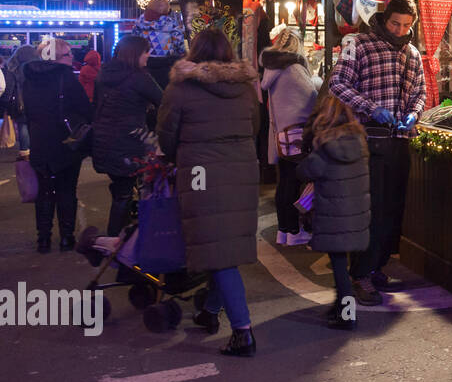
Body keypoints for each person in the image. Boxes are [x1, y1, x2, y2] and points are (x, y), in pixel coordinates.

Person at [157, 28, 260, 357]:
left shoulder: (182, 87)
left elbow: (167, 134)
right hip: (241, 171)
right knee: (223, 246)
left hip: (200, 173)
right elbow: (255, 126)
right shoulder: (244, 87)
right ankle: (209, 311)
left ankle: (242, 332)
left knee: (217, 247)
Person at [328, 0, 425, 304]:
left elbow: (421, 92)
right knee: (370, 209)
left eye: (406, 25)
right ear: (385, 19)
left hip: (399, 141)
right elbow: (338, 84)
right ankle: (361, 273)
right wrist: (370, 108)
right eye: (395, 23)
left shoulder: (412, 53)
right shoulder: (360, 44)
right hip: (367, 140)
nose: (399, 30)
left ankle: (377, 265)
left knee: (393, 208)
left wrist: (414, 112)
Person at [297, 89, 371, 330]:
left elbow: (304, 171)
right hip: (356, 216)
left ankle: (347, 314)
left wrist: (310, 132)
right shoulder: (359, 141)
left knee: (339, 265)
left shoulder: (325, 145)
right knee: (342, 263)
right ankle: (340, 305)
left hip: (333, 217)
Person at [22, 37, 92, 251]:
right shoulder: (66, 79)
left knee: (44, 191)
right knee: (66, 190)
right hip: (65, 142)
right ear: (57, 57)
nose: (72, 58)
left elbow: (28, 112)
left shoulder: (29, 78)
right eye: (68, 54)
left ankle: (43, 239)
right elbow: (85, 109)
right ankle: (66, 237)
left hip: (40, 141)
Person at [91, 36, 163, 236]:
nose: (148, 55)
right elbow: (164, 101)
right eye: (145, 51)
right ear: (135, 54)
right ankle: (115, 243)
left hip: (103, 141)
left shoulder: (104, 73)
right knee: (123, 194)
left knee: (120, 189)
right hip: (127, 144)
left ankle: (120, 238)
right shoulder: (139, 78)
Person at [260, 28, 320, 245]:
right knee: (295, 184)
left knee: (285, 183)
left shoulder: (273, 68)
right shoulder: (293, 68)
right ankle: (295, 231)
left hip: (282, 135)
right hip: (298, 135)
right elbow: (312, 98)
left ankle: (284, 230)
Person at [134, 0, 188, 94]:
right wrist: (182, 53)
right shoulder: (170, 23)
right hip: (166, 63)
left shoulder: (139, 22)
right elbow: (178, 41)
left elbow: (134, 41)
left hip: (145, 62)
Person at [6, 45, 40, 155]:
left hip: (19, 101)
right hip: (35, 99)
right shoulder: (36, 68)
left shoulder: (14, 68)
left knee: (23, 125)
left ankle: (24, 151)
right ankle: (35, 148)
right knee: (34, 125)